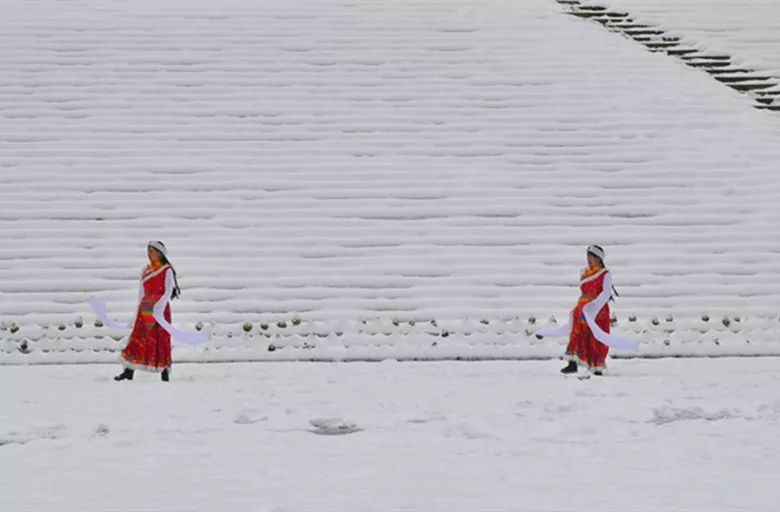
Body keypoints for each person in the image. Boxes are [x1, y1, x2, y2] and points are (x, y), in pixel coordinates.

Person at [91, 241, 207, 382]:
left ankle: (164, 371)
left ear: (160, 253)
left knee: (160, 340)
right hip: (146, 307)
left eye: (152, 251)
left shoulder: (167, 269)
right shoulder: (145, 270)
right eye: (148, 250)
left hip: (160, 308)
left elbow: (168, 290)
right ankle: (129, 370)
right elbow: (141, 292)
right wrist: (138, 310)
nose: (149, 254)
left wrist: (159, 307)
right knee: (138, 338)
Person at [535, 245, 638, 377]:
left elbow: (606, 293)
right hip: (582, 309)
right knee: (576, 334)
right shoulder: (583, 273)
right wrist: (584, 307)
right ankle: (572, 363)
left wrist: (593, 307)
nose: (589, 259)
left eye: (592, 257)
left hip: (598, 310)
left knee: (596, 338)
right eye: (588, 257)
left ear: (599, 259)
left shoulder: (605, 274)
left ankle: (596, 367)